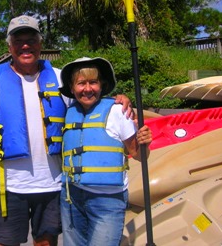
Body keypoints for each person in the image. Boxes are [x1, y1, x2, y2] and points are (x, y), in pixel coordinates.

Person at [0, 15, 133, 246]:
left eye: (31, 39)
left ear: (40, 44)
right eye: (18, 40)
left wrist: (120, 99)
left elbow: (91, 100)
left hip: (53, 185)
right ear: (9, 46)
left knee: (45, 243)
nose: (25, 45)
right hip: (8, 186)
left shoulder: (60, 79)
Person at [58, 57, 152, 246]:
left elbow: (140, 156)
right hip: (72, 197)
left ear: (101, 85)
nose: (87, 89)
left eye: (93, 82)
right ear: (71, 86)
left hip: (108, 200)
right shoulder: (68, 110)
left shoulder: (118, 111)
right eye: (81, 83)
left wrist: (145, 143)